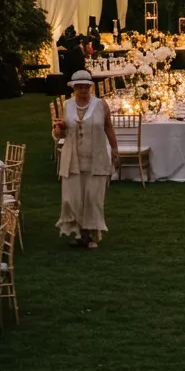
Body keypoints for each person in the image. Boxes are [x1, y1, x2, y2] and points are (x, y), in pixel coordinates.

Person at [52, 69, 118, 249]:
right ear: (73, 88)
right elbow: (62, 132)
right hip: (72, 158)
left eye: (85, 87)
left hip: (96, 157)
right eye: (79, 87)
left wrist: (115, 149)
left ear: (91, 87)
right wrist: (59, 129)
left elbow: (109, 127)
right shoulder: (67, 105)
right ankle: (78, 231)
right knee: (72, 198)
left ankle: (89, 235)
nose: (82, 90)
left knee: (92, 197)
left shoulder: (101, 105)